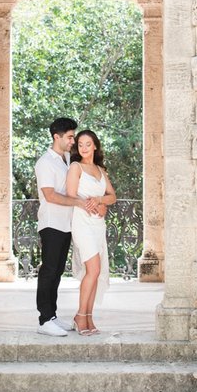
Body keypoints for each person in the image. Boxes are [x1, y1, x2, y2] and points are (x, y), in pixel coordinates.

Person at [33, 117, 103, 336]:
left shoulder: (65, 159)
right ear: (57, 137)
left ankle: (52, 316)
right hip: (52, 223)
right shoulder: (45, 162)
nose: (73, 141)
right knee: (49, 271)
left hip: (67, 224)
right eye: (71, 137)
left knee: (57, 272)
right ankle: (44, 320)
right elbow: (50, 195)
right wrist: (80, 202)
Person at [66, 129, 117, 335]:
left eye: (88, 144)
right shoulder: (75, 167)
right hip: (82, 222)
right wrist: (93, 205)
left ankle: (88, 317)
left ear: (95, 145)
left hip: (98, 225)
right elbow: (71, 195)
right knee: (93, 270)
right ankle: (80, 315)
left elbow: (112, 196)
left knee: (95, 273)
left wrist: (100, 201)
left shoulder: (101, 170)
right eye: (80, 145)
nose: (84, 148)